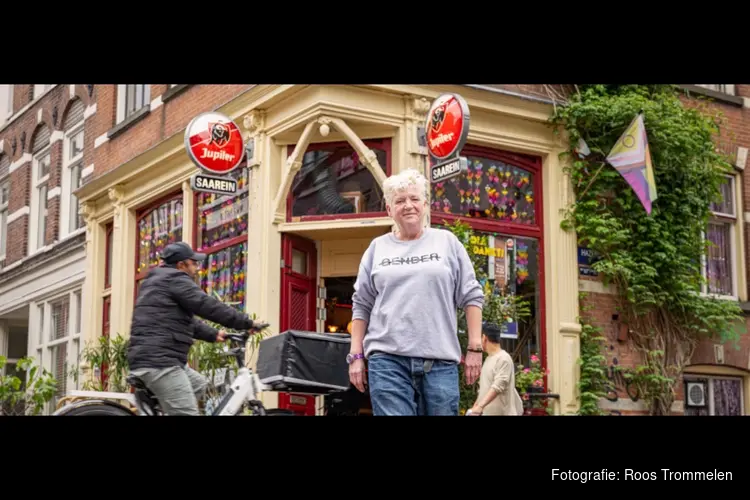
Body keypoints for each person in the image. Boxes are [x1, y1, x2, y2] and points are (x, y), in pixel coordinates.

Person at [349, 168, 485, 416]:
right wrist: (356, 355)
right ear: (390, 210)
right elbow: (362, 304)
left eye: (414, 199)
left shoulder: (447, 242)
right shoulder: (377, 248)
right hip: (388, 360)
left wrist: (475, 348)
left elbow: (471, 295)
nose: (408, 205)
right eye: (399, 201)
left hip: (440, 361)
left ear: (425, 205)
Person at [127, 241, 267, 415]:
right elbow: (206, 305)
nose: (196, 267)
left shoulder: (156, 281)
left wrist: (214, 334)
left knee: (198, 384)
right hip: (160, 362)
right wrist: (246, 322)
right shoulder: (175, 279)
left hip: (154, 356)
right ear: (181, 265)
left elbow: (182, 320)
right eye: (193, 263)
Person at [467, 322, 524, 416]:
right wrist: (475, 407)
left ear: (484, 338)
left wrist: (480, 406)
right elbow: (484, 390)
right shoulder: (488, 359)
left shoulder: (504, 358)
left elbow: (498, 386)